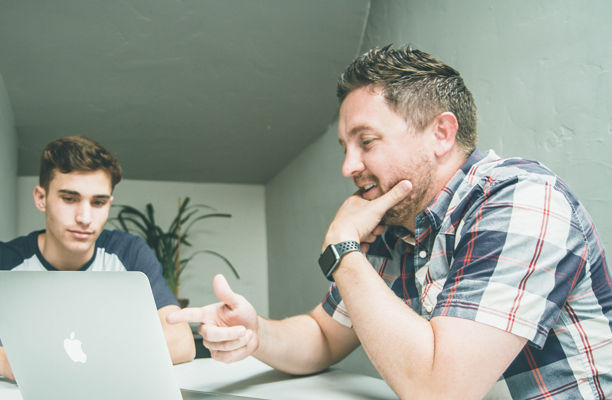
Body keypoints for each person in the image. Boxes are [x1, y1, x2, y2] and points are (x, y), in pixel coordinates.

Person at [168, 46, 612, 399]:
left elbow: (441, 392)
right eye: (345, 146)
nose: (348, 166)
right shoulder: (397, 226)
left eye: (366, 142)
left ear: (441, 133)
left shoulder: (522, 200)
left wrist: (343, 247)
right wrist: (257, 333)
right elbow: (325, 334)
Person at [0, 135, 195, 380]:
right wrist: (3, 361)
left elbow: (182, 342)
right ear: (41, 198)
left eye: (98, 202)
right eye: (69, 198)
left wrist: (84, 357)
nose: (84, 217)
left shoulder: (129, 253)